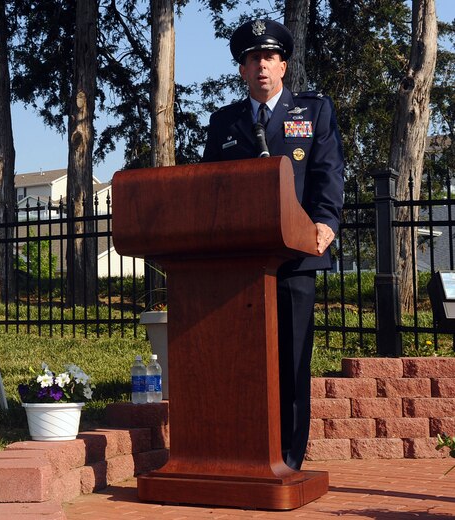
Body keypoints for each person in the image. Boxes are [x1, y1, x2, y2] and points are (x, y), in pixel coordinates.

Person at [202, 18, 345, 470]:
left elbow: (327, 173)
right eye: (251, 59)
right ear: (242, 70)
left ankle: (288, 458)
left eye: (268, 57)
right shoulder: (223, 122)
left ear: (283, 65)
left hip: (297, 259)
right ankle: (244, 451)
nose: (261, 65)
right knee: (241, 364)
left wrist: (326, 223)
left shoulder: (313, 111)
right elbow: (211, 188)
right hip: (241, 266)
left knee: (291, 363)